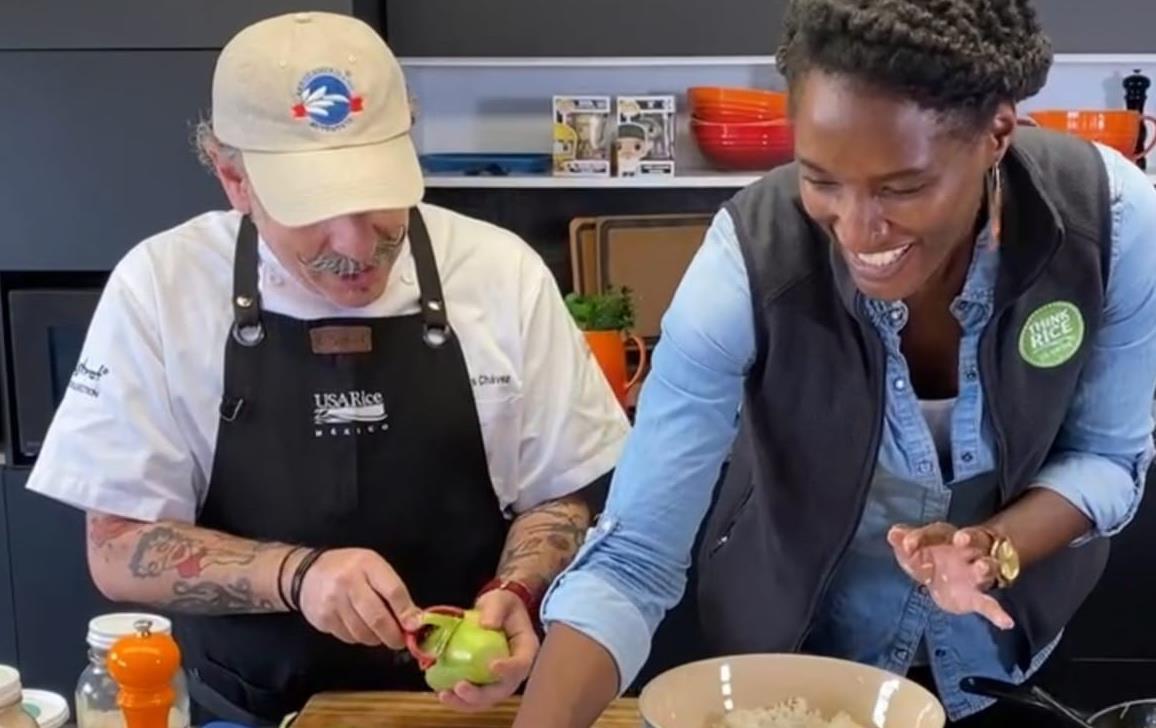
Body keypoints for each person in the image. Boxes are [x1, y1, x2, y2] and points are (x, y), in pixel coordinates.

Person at [513, 1, 1156, 726]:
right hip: (790, 675)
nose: (857, 230)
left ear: (997, 134)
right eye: (820, 179)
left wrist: (992, 546)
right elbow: (635, 555)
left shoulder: (1110, 221)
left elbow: (1108, 458)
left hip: (1000, 662)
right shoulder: (746, 264)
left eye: (901, 187)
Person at [25, 11, 630, 726]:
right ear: (234, 180)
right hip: (246, 710)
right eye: (315, 210)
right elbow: (119, 545)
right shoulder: (162, 288)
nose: (357, 242)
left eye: (378, 198)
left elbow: (564, 494)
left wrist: (521, 591)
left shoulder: (501, 273)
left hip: (472, 712)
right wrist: (298, 575)